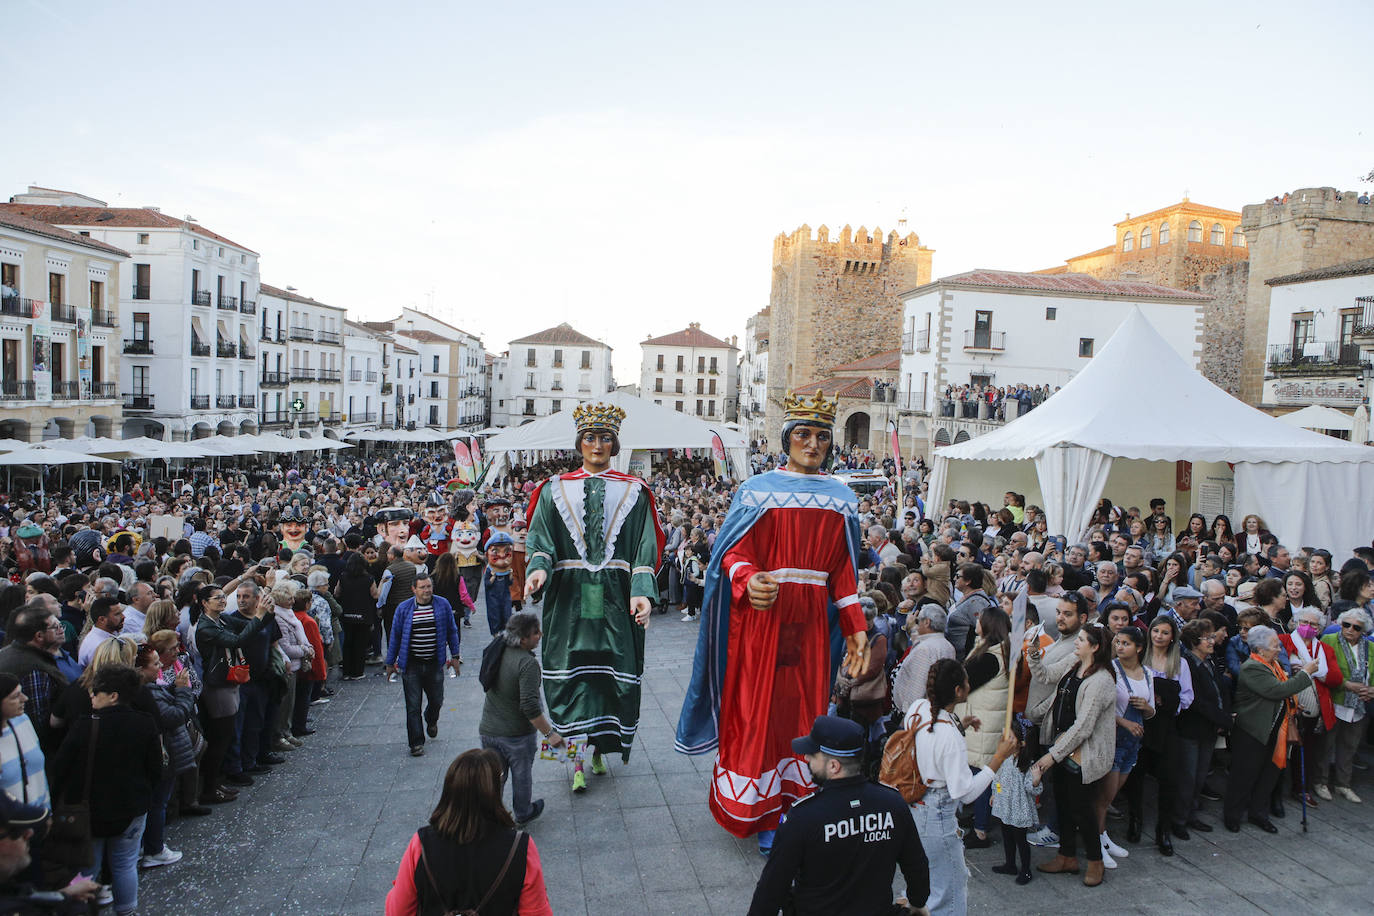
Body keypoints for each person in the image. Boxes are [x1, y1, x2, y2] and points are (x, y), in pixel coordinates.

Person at [676, 391, 868, 851]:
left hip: (813, 628)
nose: (813, 443)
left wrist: (857, 627)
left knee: (806, 713)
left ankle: (799, 805)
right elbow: (732, 553)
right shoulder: (756, 491)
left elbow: (844, 573)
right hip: (763, 622)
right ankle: (762, 813)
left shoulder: (842, 498)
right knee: (758, 711)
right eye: (803, 433)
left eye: (823, 435)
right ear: (786, 438)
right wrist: (747, 578)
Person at [524, 403, 663, 790]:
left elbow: (644, 545)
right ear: (579, 443)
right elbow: (541, 537)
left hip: (615, 599)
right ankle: (575, 764)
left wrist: (642, 592)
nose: (597, 445)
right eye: (590, 437)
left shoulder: (635, 491)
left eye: (605, 438)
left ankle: (600, 751)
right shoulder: (553, 490)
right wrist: (537, 569)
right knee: (569, 679)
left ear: (615, 444)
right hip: (569, 599)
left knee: (608, 679)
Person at [747, 715, 930, 916]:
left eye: (812, 755)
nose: (806, 758)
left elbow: (771, 889)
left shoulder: (802, 817)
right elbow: (916, 866)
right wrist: (917, 901)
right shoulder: (893, 804)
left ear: (834, 766)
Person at [906, 659, 1018, 913]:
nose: (970, 684)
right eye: (966, 681)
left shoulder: (917, 707)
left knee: (925, 883)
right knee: (951, 894)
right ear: (958, 691)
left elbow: (929, 738)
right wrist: (997, 759)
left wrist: (960, 724)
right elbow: (965, 794)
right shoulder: (949, 735)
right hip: (937, 816)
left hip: (914, 807)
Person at [384, 748, 553, 916]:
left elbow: (397, 911)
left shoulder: (421, 843)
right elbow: (536, 911)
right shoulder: (520, 846)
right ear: (493, 792)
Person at [51, 664, 162, 916]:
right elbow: (156, 768)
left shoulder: (84, 725)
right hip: (132, 807)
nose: (91, 695)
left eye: (96, 691)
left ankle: (85, 910)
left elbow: (60, 768)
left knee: (88, 867)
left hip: (91, 811)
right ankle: (126, 911)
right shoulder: (144, 723)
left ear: (113, 695)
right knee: (125, 864)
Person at [1029, 624, 1117, 888]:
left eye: (1081, 640)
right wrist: (1034, 655)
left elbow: (1084, 727)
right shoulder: (1074, 661)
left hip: (1082, 753)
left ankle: (1094, 861)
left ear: (1095, 646)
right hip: (1062, 745)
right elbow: (1046, 676)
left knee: (1082, 809)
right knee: (1063, 804)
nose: (1075, 643)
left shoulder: (1102, 680)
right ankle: (1066, 856)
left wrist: (1050, 757)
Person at [1222, 625, 1318, 833]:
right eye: (1275, 646)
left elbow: (1279, 695)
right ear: (1261, 649)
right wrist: (1307, 673)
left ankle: (1258, 813)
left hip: (1273, 728)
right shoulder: (1253, 667)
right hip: (1252, 730)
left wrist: (1291, 704)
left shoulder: (1272, 664)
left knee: (1268, 773)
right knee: (1244, 775)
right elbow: (1276, 691)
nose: (1279, 649)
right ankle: (1232, 815)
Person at [479, 612, 564, 827]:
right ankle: (523, 812)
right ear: (523, 639)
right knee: (521, 775)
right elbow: (529, 707)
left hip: (489, 729)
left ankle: (490, 815)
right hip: (516, 735)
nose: (540, 635)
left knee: (495, 777)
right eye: (536, 633)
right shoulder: (527, 664)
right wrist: (550, 734)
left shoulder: (499, 648)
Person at [386, 569, 461, 756]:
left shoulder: (442, 604)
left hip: (435, 662)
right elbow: (394, 636)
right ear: (414, 589)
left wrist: (455, 656)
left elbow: (452, 631)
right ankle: (416, 743)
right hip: (411, 663)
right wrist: (389, 663)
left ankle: (431, 718)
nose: (427, 590)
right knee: (413, 705)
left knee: (437, 700)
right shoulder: (403, 609)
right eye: (422, 587)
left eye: (429, 586)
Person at [1173, 620, 1229, 836]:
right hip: (1191, 729)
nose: (1212, 641)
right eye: (1207, 638)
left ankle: (1190, 814)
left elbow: (1220, 689)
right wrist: (1224, 718)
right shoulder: (1187, 663)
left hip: (1208, 729)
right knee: (1188, 776)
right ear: (1195, 642)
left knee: (1200, 775)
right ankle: (1179, 820)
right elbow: (1196, 701)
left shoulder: (1209, 660)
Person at [1318, 608, 1374, 802]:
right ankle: (1321, 781)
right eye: (1346, 625)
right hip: (1334, 700)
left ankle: (1343, 784)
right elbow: (1322, 671)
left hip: (1359, 704)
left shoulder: (1370, 647)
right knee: (1326, 744)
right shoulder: (1329, 641)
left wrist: (1371, 690)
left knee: (1350, 746)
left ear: (1363, 630)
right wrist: (1346, 684)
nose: (1350, 630)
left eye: (1356, 627)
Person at [989, 716, 1041, 885]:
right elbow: (997, 779)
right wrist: (995, 794)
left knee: (1020, 840)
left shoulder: (1026, 763)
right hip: (1005, 805)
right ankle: (1010, 864)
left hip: (1019, 808)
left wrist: (1035, 780)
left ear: (1022, 743)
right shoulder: (1003, 759)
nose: (1006, 742)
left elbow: (1032, 789)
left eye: (1010, 738)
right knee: (1007, 836)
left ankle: (1026, 870)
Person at [892, 605, 954, 712]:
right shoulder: (948, 645)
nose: (917, 624)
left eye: (918, 621)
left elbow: (917, 687)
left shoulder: (925, 649)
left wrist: (908, 713)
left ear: (927, 622)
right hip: (934, 709)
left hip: (918, 713)